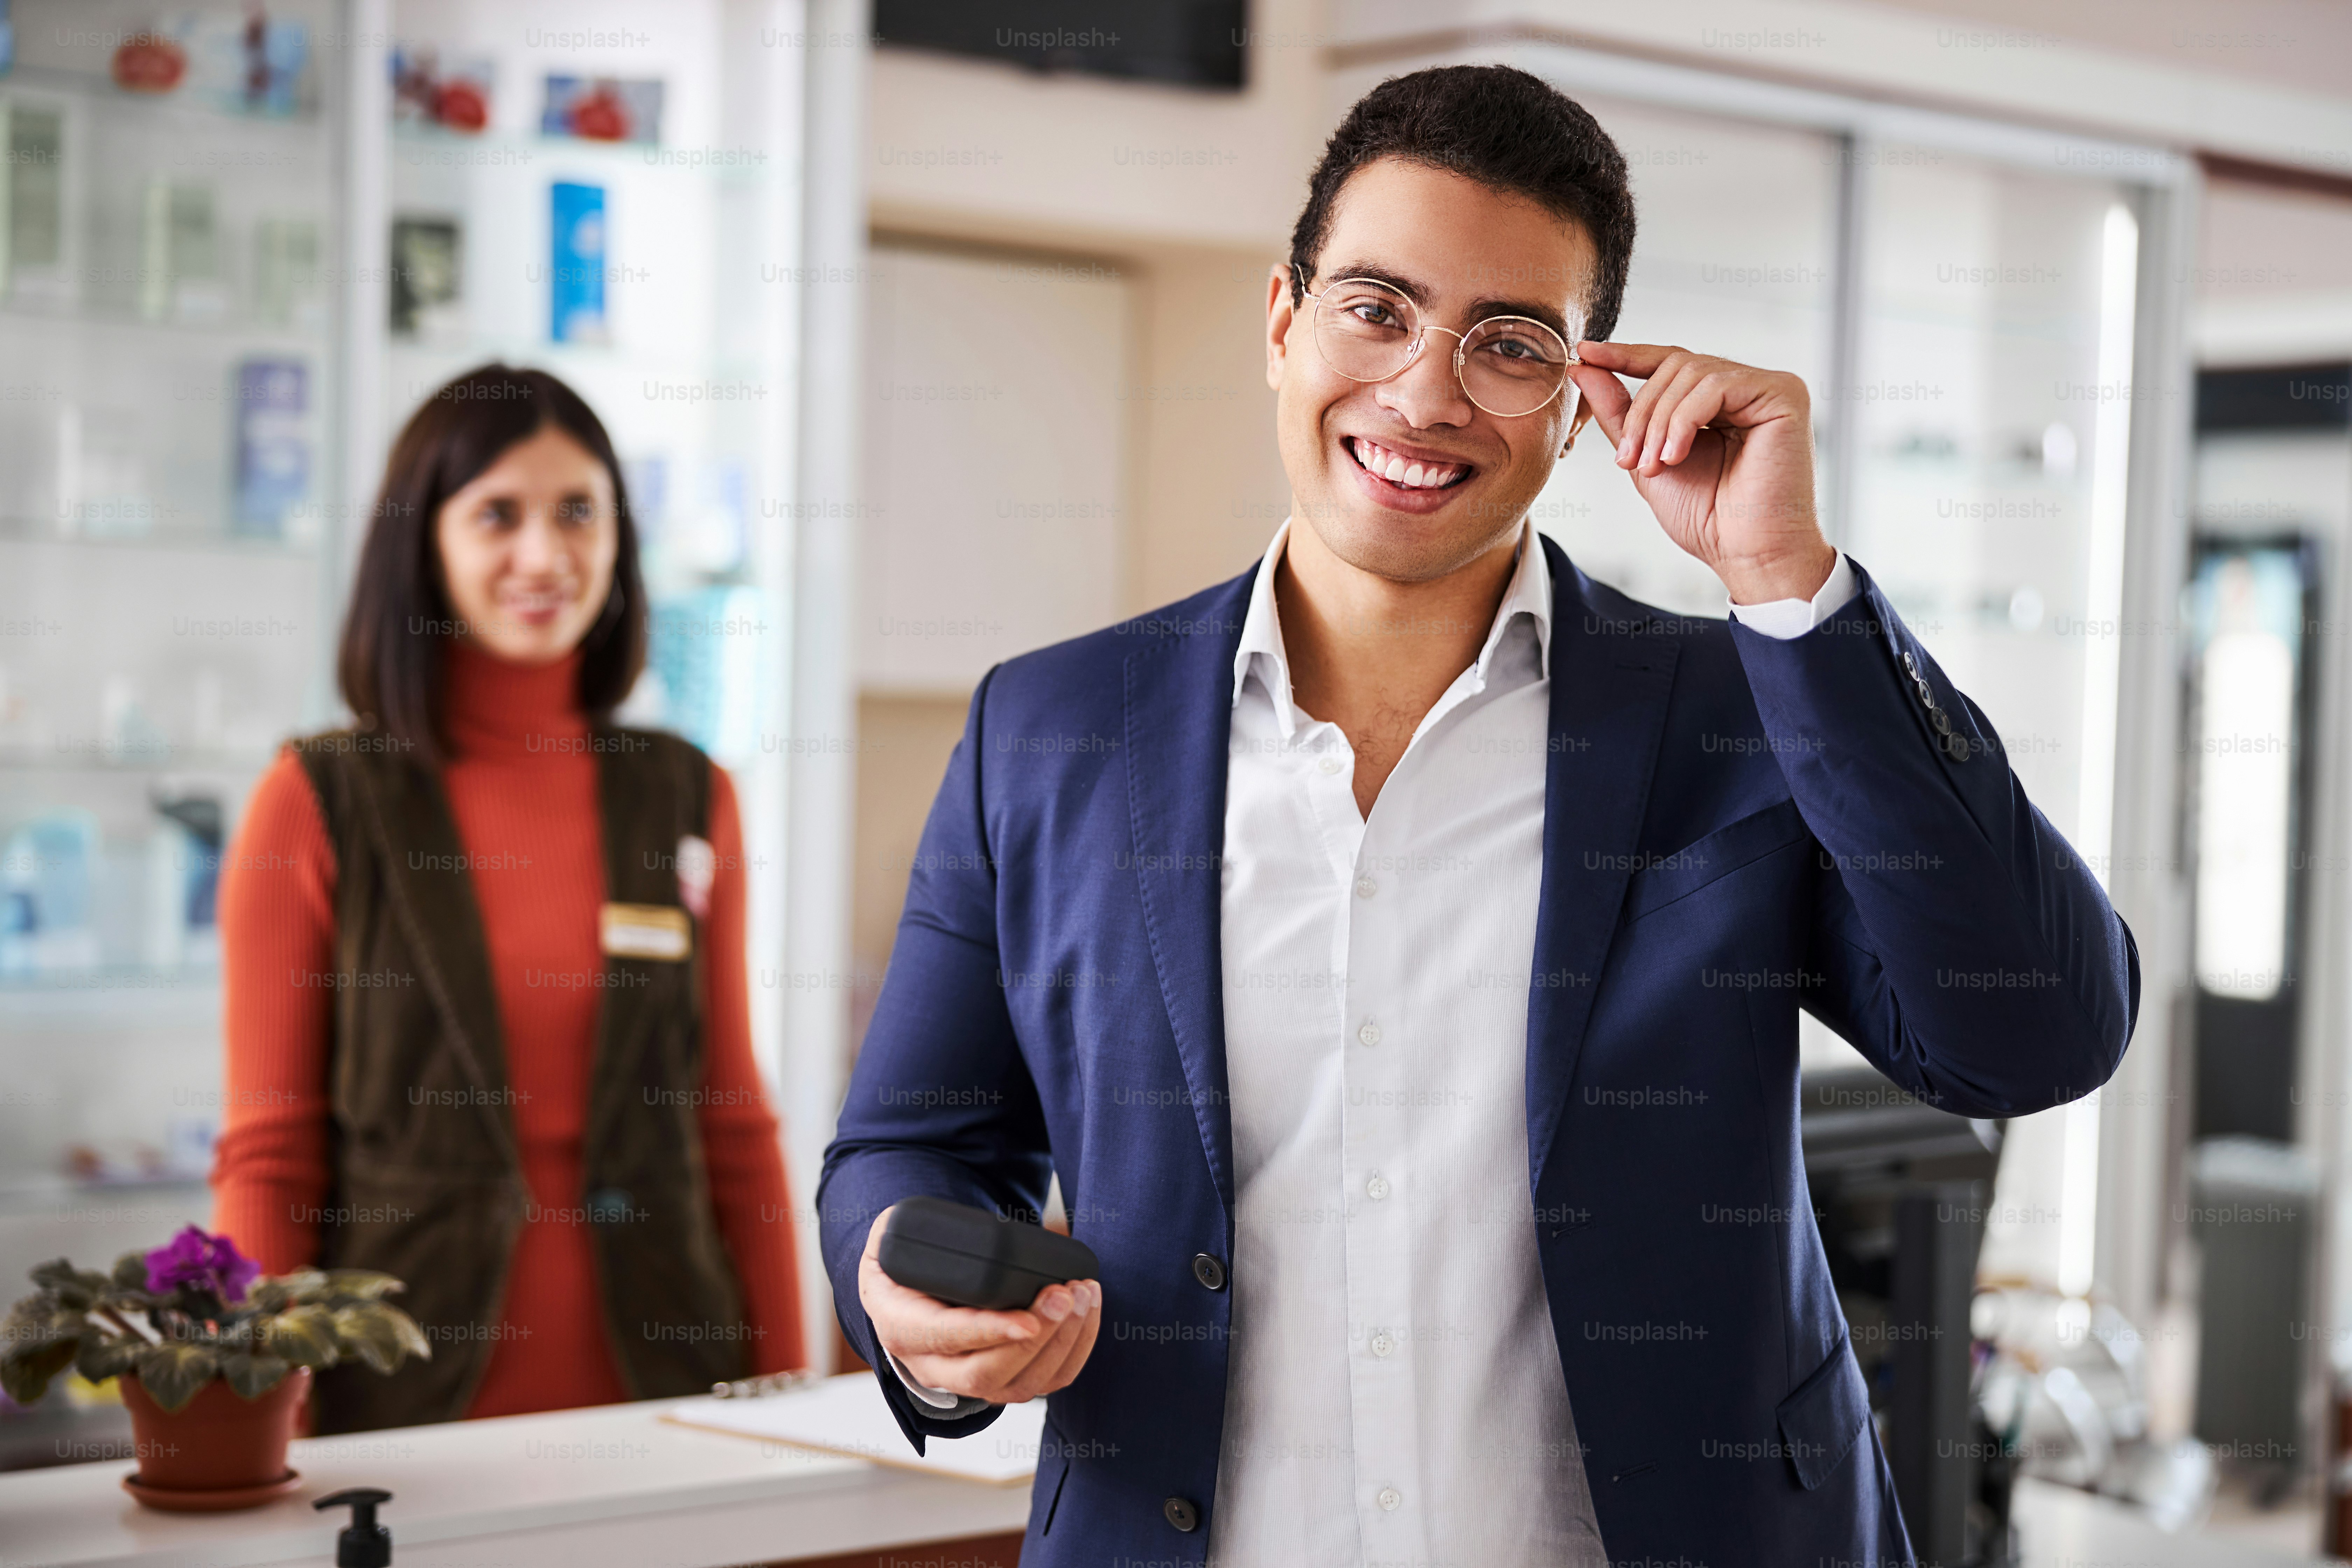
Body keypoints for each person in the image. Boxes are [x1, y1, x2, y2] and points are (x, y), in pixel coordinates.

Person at [821, 64, 2138, 1566]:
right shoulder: (1050, 730)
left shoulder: (1740, 715)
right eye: (1376, 309)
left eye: (1510, 344)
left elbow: (2036, 1031)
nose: (1426, 394)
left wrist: (1792, 590)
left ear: (1579, 409)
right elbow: (907, 1147)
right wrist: (914, 1297)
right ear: (1282, 321)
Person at [212, 364, 806, 1432]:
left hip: (672, 1400)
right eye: (498, 515)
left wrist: (788, 1403)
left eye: (578, 511)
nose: (545, 555)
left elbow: (732, 1122)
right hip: (401, 1414)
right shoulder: (315, 800)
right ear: (423, 545)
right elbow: (272, 1154)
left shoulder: (687, 792)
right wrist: (261, 1425)